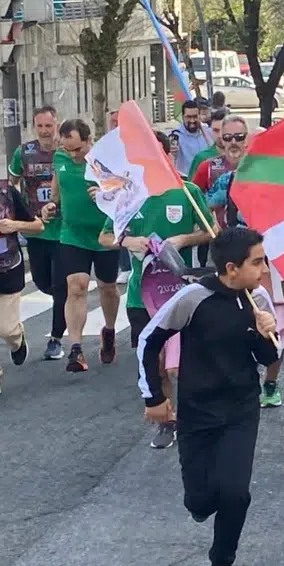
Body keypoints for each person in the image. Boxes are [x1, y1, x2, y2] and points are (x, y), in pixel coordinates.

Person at [139, 226, 279, 566]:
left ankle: (223, 561)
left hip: (241, 410)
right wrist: (153, 397)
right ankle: (201, 503)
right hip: (198, 412)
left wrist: (266, 333)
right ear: (231, 268)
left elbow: (268, 359)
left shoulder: (257, 298)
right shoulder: (193, 297)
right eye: (257, 262)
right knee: (200, 501)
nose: (264, 270)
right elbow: (149, 339)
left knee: (235, 492)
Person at [100, 131, 212, 449]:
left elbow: (210, 231)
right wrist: (127, 241)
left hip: (183, 291)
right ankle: (168, 419)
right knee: (157, 359)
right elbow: (105, 237)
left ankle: (195, 415)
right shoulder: (128, 196)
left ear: (167, 156)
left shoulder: (187, 191)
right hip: (142, 294)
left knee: (187, 362)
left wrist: (182, 240)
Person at [41, 119, 121, 373]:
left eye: (78, 149)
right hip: (72, 233)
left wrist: (105, 193)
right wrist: (51, 205)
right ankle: (75, 348)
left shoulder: (105, 161)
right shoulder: (60, 159)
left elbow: (126, 191)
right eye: (68, 149)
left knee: (107, 287)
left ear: (89, 141)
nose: (73, 155)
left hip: (104, 233)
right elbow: (57, 188)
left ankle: (108, 330)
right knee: (76, 286)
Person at [8, 105, 67, 359]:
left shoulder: (67, 151)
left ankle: (56, 337)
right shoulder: (24, 152)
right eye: (39, 126)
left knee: (60, 284)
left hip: (65, 230)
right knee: (43, 282)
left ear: (57, 124)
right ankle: (63, 304)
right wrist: (19, 209)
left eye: (49, 126)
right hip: (36, 229)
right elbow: (12, 182)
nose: (44, 131)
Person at [0, 175, 44, 398]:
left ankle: (17, 339)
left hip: (7, 269)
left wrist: (14, 225)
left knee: (6, 329)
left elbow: (38, 225)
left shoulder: (5, 191)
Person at [170, 100, 211, 177]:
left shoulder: (208, 132)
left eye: (195, 116)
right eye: (188, 117)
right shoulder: (175, 135)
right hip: (186, 181)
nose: (192, 120)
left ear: (199, 115)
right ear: (182, 117)